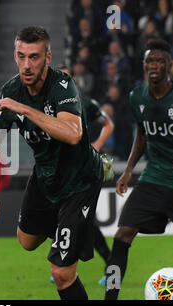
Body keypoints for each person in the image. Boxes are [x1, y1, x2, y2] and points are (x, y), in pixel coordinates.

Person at [0, 26, 104, 300]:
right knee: (26, 241)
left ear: (48, 58)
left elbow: (73, 134)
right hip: (46, 177)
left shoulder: (62, 85)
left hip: (79, 180)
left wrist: (25, 109)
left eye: (34, 57)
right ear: (15, 56)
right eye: (21, 56)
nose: (27, 65)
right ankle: (70, 232)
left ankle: (70, 235)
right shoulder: (11, 89)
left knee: (61, 273)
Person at [104, 39, 173, 300]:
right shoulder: (136, 96)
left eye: (160, 61)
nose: (154, 66)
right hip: (154, 178)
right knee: (122, 236)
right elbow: (142, 134)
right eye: (149, 61)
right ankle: (110, 298)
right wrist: (129, 169)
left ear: (170, 66)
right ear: (144, 66)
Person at [56, 64, 115, 285]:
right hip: (61, 172)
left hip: (83, 171)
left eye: (67, 78)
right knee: (64, 218)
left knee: (83, 220)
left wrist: (97, 145)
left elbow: (108, 124)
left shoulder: (86, 105)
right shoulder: (48, 106)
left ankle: (109, 261)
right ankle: (64, 262)